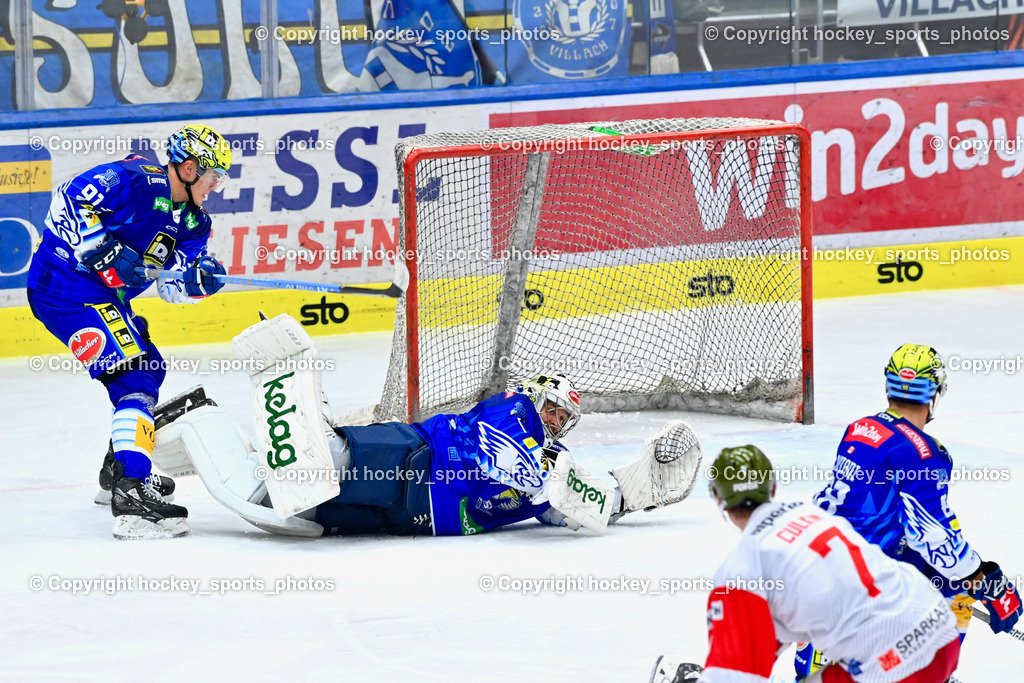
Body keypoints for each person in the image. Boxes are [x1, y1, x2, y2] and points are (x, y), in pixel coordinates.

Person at [145, 315, 703, 537]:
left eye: (563, 419)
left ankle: (190, 429)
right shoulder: (512, 412)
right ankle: (294, 421)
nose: (554, 420)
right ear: (532, 395)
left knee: (293, 504)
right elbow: (501, 454)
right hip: (417, 459)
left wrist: (626, 495)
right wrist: (550, 473)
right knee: (331, 464)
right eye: (552, 407)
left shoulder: (549, 474)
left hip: (418, 518)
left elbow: (571, 505)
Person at [26, 124, 233, 540]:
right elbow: (68, 198)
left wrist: (196, 283)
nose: (216, 187)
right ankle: (131, 491)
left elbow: (170, 285)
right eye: (213, 176)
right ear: (190, 168)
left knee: (148, 369)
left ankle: (121, 465)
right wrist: (103, 249)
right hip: (64, 289)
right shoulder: (136, 180)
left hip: (103, 298)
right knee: (135, 375)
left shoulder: (195, 224)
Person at [808, 343, 1021, 673]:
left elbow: (877, 513)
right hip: (864, 579)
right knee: (956, 585)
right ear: (934, 393)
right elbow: (934, 538)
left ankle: (818, 659)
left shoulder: (861, 428)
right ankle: (926, 673)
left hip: (818, 558)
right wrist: (985, 582)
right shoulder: (924, 453)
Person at [681, 445, 962, 683]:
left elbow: (734, 677)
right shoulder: (813, 514)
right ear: (773, 487)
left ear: (719, 500)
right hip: (940, 630)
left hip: (894, 667)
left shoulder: (740, 570)